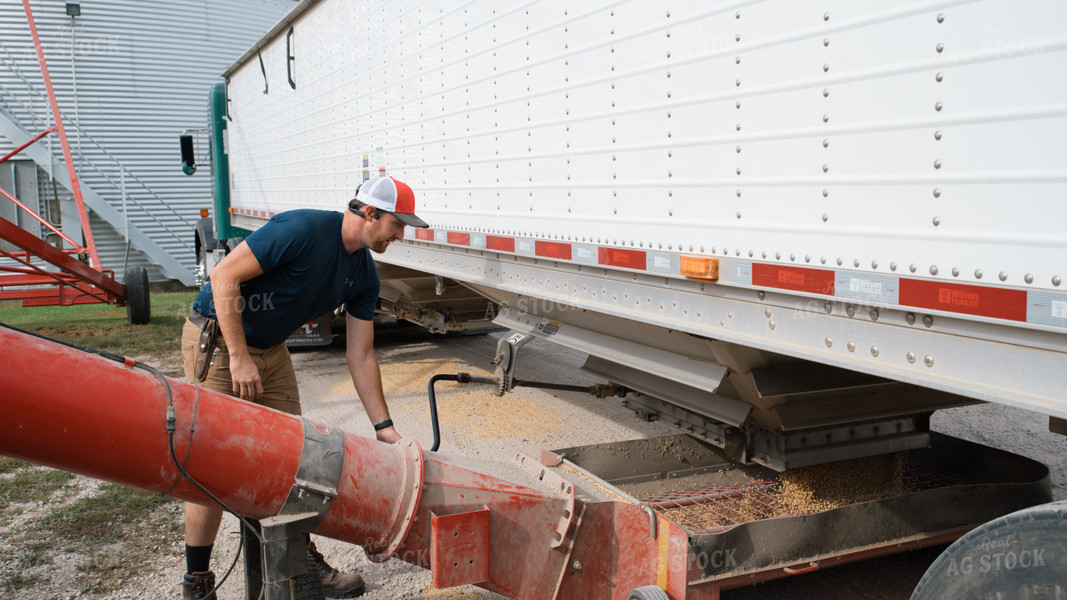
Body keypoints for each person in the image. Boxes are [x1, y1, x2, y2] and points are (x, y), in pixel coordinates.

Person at [178, 176, 429, 600]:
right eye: (397, 224)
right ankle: (197, 583)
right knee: (212, 462)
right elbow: (223, 278)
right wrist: (238, 357)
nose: (401, 235)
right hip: (221, 341)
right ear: (370, 214)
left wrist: (384, 426)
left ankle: (297, 564)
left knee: (292, 459)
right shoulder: (302, 231)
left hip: (271, 352)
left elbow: (361, 355)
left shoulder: (364, 273)